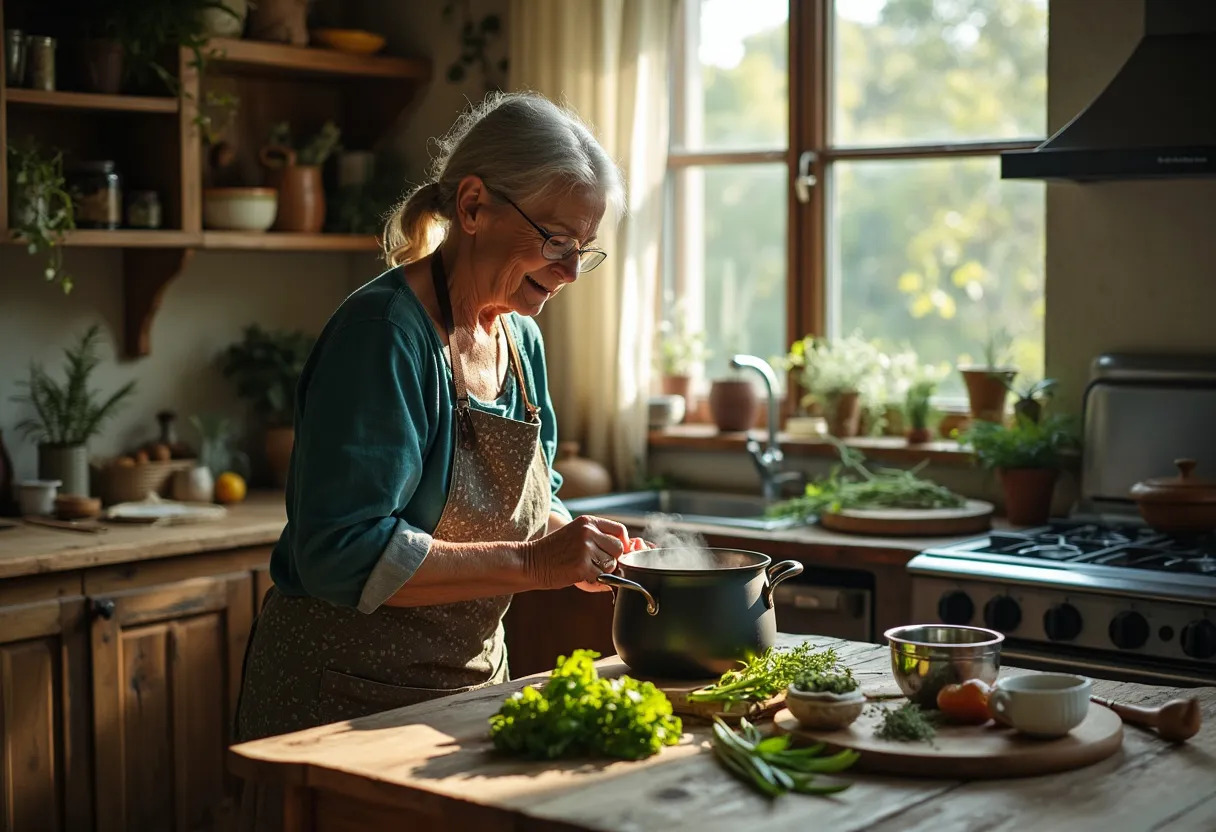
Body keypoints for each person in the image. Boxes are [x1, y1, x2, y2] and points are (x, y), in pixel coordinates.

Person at [235, 92, 644, 745]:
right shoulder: (384, 335)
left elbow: (534, 504)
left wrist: (588, 550)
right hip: (342, 701)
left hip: (466, 693)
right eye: (556, 240)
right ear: (474, 205)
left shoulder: (520, 340)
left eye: (584, 249)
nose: (570, 272)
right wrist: (537, 563)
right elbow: (340, 553)